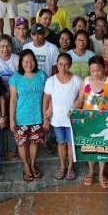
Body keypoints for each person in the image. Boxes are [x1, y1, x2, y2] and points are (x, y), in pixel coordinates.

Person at [74, 57, 108, 188]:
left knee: (103, 148)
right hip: (88, 121)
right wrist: (73, 110)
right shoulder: (85, 81)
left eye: (98, 70)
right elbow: (80, 99)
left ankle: (101, 173)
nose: (95, 73)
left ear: (104, 69)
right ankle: (91, 171)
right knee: (90, 146)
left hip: (105, 122)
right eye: (92, 71)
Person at [9, 49, 48, 182]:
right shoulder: (15, 78)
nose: (28, 63)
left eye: (31, 60)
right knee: (21, 144)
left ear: (35, 62)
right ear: (21, 63)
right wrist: (12, 119)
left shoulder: (42, 75)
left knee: (34, 143)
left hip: (37, 117)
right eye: (25, 61)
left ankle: (32, 164)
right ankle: (26, 165)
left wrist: (46, 115)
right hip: (21, 118)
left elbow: (46, 97)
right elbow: (13, 99)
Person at [43, 52, 81, 180]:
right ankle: (62, 166)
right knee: (61, 144)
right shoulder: (51, 81)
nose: (63, 67)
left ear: (70, 65)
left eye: (66, 65)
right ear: (57, 65)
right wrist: (46, 118)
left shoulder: (77, 80)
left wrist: (76, 107)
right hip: (57, 120)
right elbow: (46, 100)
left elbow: (81, 99)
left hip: (71, 120)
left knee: (71, 144)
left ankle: (70, 167)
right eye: (60, 64)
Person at [0, 35, 19, 160]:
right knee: (0, 123)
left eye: (8, 46)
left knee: (13, 123)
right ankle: (1, 151)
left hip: (15, 98)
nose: (5, 49)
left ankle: (13, 150)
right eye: (2, 46)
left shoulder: (17, 59)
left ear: (11, 46)